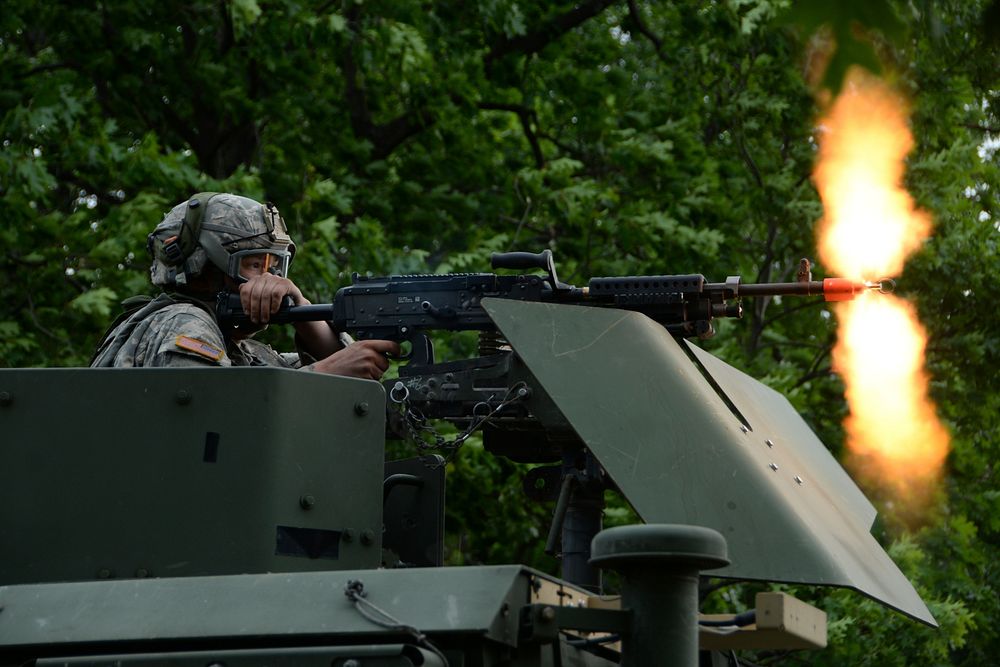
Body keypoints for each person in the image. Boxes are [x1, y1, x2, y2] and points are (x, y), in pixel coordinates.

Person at [91, 192, 398, 378]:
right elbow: (216, 419)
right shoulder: (183, 322)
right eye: (254, 266)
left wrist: (301, 307)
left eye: (274, 268)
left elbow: (347, 385)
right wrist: (327, 372)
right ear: (204, 266)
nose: (272, 281)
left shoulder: (241, 350)